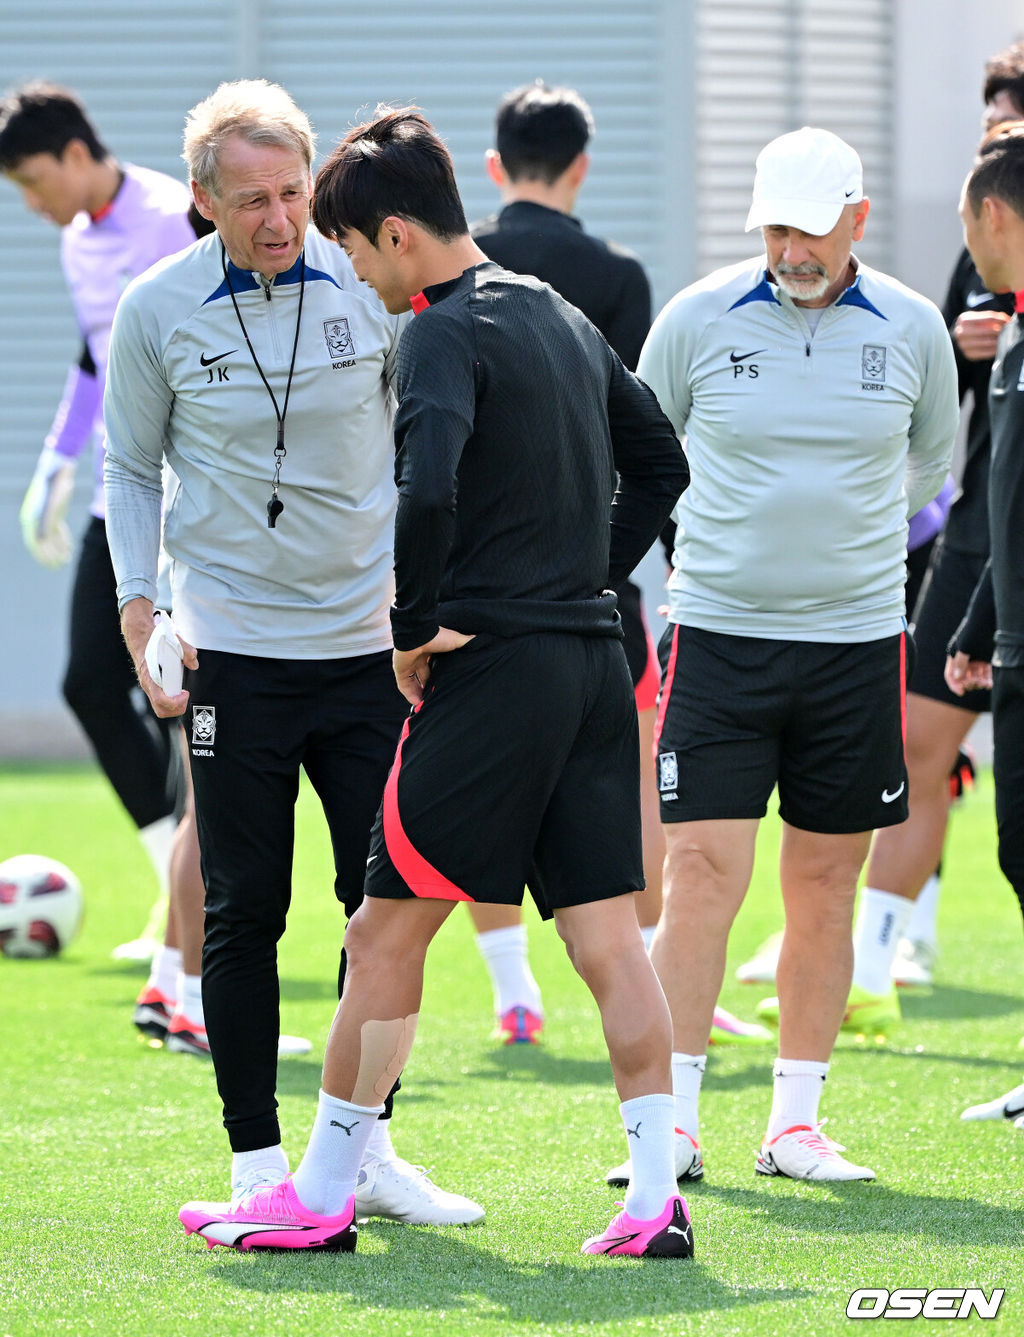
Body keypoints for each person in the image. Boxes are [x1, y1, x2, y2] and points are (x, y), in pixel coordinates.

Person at [178, 105, 692, 1259]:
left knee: (384, 927)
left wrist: (413, 629)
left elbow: (426, 492)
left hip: (494, 672)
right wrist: (582, 579)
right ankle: (655, 1194)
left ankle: (316, 1190)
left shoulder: (439, 330)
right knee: (608, 936)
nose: (350, 272)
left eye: (353, 250)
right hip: (591, 663)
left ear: (396, 234)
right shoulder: (560, 312)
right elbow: (663, 461)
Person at [103, 79, 480, 1227]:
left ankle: (360, 1148)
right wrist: (136, 607)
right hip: (233, 654)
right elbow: (130, 469)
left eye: (291, 193)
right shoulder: (155, 307)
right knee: (242, 908)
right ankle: (252, 1161)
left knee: (385, 912)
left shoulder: (370, 287)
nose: (278, 219)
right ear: (206, 202)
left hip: (371, 653)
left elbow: (435, 443)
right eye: (251, 200)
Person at [639, 126, 958, 1182]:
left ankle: (793, 1125)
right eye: (773, 227)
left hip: (856, 642)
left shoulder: (914, 329)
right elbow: (645, 448)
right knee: (698, 873)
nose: (789, 249)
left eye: (809, 229)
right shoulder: (694, 317)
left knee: (825, 880)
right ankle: (670, 1126)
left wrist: (842, 541)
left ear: (857, 220)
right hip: (718, 635)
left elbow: (930, 462)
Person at [470, 79, 769, 1052]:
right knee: (630, 777)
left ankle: (512, 987)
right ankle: (647, 977)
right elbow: (640, 431)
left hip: (472, 569)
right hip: (590, 569)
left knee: (471, 781)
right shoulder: (616, 275)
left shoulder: (455, 261)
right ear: (582, 165)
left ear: (493, 164)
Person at [0, 82, 200, 962]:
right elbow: (93, 356)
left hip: (185, 494)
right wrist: (56, 458)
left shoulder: (172, 214)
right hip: (111, 495)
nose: (34, 203)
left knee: (180, 695)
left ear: (77, 153)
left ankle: (199, 911)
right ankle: (173, 885)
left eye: (37, 180)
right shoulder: (76, 244)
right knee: (91, 678)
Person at [844, 45, 1024, 1005]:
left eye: (1017, 115)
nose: (1002, 130)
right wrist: (968, 345)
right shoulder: (984, 239)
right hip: (982, 530)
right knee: (919, 739)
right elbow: (948, 396)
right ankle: (875, 966)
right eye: (994, 114)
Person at [945, 123, 1024, 1128]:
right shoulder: (1009, 340)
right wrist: (976, 623)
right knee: (1015, 854)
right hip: (1012, 648)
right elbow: (1010, 506)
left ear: (992, 215)